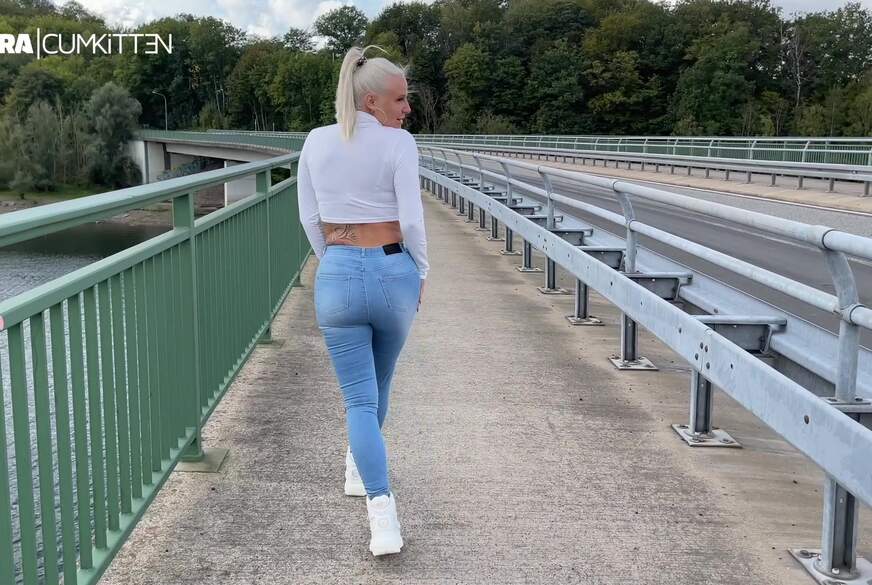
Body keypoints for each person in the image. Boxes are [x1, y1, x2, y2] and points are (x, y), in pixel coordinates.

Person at [296, 44, 429, 557]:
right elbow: (412, 220)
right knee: (380, 382)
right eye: (399, 99)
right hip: (394, 273)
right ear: (371, 101)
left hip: (338, 272)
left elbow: (309, 217)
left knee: (360, 397)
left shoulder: (315, 141)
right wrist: (421, 271)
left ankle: (377, 503)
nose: (407, 108)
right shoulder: (400, 144)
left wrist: (334, 260)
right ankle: (367, 479)